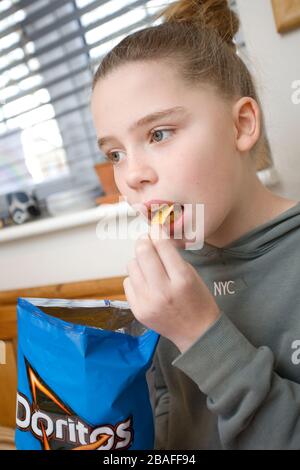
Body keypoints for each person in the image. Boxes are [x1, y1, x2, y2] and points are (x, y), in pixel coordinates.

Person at [91, 0, 300, 450]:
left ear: (241, 125)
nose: (130, 176)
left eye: (158, 134)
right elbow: (170, 415)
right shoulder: (169, 280)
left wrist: (200, 334)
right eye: (115, 153)